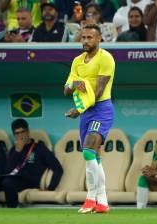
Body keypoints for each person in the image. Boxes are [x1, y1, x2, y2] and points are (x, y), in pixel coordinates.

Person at [64, 23, 115, 213]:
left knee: (87, 152)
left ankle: (91, 198)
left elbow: (99, 91)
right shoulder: (77, 61)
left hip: (102, 109)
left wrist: (78, 109)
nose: (85, 41)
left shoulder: (106, 58)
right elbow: (66, 89)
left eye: (90, 37)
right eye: (83, 37)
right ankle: (101, 203)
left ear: (99, 38)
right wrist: (73, 84)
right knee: (92, 156)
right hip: (86, 112)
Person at [2, 118, 63, 208]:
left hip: (31, 181)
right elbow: (8, 171)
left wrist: (50, 189)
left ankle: (12, 211)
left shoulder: (39, 148)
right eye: (17, 133)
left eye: (23, 132)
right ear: (14, 135)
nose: (21, 136)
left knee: (8, 182)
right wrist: (18, 152)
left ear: (28, 132)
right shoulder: (14, 150)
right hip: (16, 179)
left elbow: (58, 168)